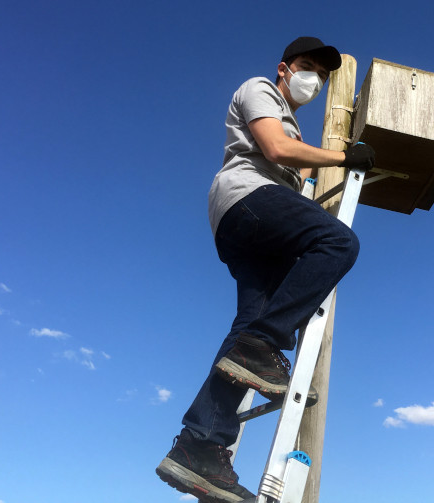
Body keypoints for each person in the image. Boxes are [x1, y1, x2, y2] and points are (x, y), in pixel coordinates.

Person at [156, 36, 375, 502]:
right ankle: (266, 344)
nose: (313, 78)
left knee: (247, 328)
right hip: (247, 199)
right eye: (306, 66)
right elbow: (275, 150)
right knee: (337, 242)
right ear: (283, 68)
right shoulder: (260, 90)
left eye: (321, 72)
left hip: (248, 217)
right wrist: (343, 156)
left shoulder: (292, 122)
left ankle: (200, 444)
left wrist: (329, 175)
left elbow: (295, 169)